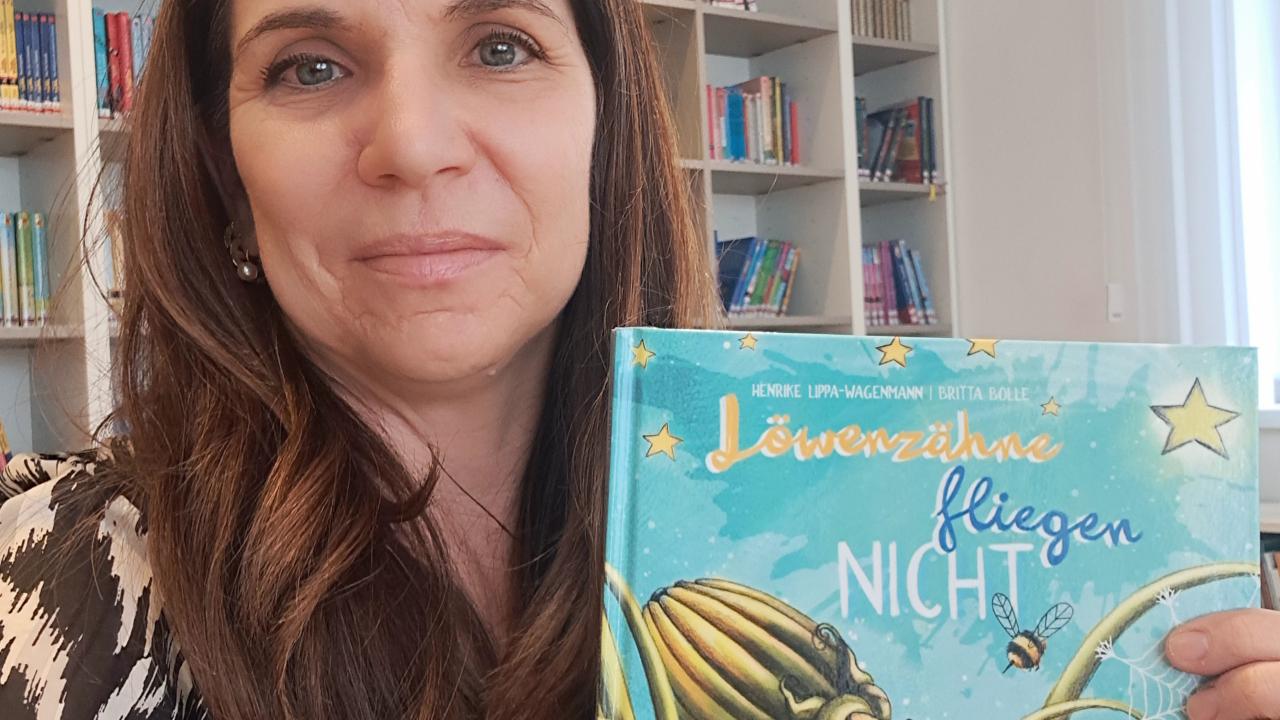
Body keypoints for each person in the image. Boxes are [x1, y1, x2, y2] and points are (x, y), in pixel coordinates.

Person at [0, 1, 1275, 719]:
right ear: (225, 179)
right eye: (310, 66)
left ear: (607, 131)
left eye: (499, 45)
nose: (413, 145)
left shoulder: (821, 535)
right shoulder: (64, 595)